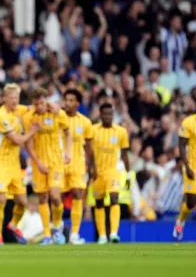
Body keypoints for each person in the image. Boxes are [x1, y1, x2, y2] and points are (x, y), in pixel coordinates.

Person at [0, 83, 41, 246]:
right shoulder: (1, 116)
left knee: (22, 201)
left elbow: (35, 107)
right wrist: (32, 131)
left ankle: (13, 225)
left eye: (16, 98)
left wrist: (53, 106)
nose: (14, 101)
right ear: (4, 98)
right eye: (11, 98)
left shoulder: (19, 109)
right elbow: (17, 140)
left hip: (13, 164)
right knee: (0, 199)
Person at [23, 87, 71, 245]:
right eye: (36, 104)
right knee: (42, 198)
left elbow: (68, 131)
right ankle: (47, 234)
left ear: (46, 100)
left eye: (42, 103)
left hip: (56, 162)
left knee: (56, 197)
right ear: (33, 103)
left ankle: (57, 227)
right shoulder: (29, 117)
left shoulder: (57, 113)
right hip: (39, 163)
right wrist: (38, 163)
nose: (39, 106)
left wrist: (68, 152)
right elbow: (27, 144)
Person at [91, 103, 132, 244]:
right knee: (99, 203)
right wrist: (91, 168)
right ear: (100, 114)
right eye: (105, 114)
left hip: (113, 171)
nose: (108, 116)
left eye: (110, 114)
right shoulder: (93, 130)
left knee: (115, 198)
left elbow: (125, 155)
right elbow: (88, 152)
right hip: (97, 172)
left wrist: (127, 174)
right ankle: (102, 235)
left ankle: (114, 233)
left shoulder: (121, 132)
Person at [62, 89, 95, 245]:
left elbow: (88, 146)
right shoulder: (57, 118)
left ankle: (74, 234)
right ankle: (56, 230)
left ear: (77, 103)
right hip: (59, 164)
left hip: (78, 164)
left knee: (77, 194)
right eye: (66, 99)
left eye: (71, 100)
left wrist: (92, 165)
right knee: (56, 198)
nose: (67, 103)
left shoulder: (85, 122)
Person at [174, 98, 196, 241]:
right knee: (192, 201)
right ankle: (180, 221)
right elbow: (181, 144)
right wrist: (186, 166)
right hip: (193, 167)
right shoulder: (188, 122)